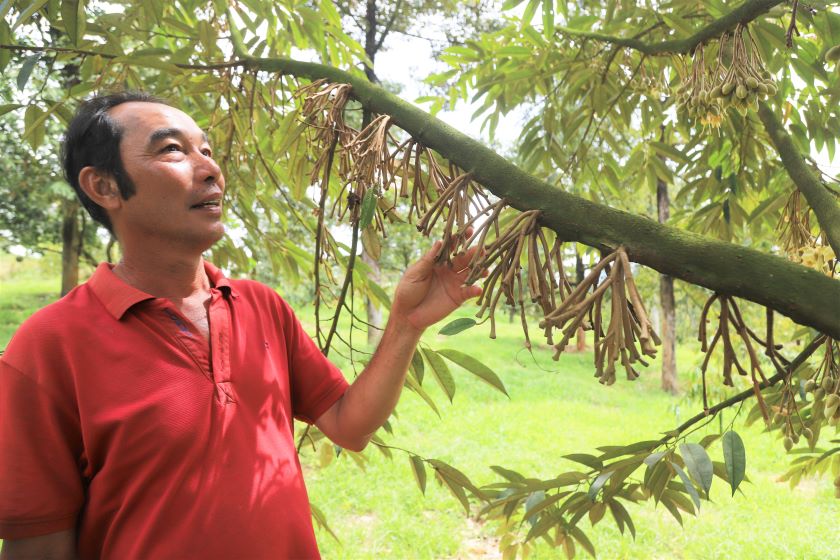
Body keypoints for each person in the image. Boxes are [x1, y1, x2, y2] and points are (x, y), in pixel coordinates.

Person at [0, 92, 482, 559]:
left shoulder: (261, 306)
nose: (210, 169)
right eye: (173, 150)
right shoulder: (49, 346)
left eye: (206, 151)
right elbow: (38, 543)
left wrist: (406, 323)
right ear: (104, 187)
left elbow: (349, 425)